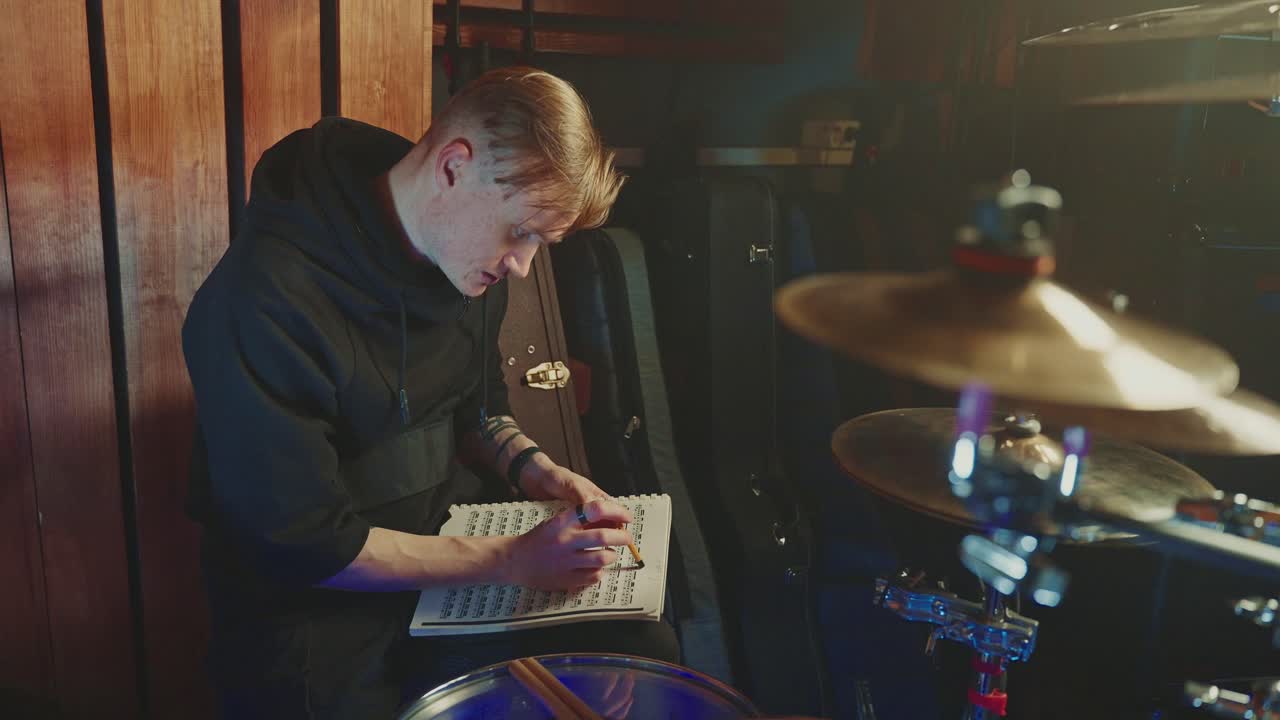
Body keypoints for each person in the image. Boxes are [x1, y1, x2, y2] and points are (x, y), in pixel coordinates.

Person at [182, 66, 679, 719]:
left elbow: (479, 411)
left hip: (446, 552)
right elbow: (304, 543)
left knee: (635, 645)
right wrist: (509, 560)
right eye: (521, 232)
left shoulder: (468, 262)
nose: (522, 265)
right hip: (308, 603)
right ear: (453, 166)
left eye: (541, 243)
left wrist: (544, 475)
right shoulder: (263, 298)